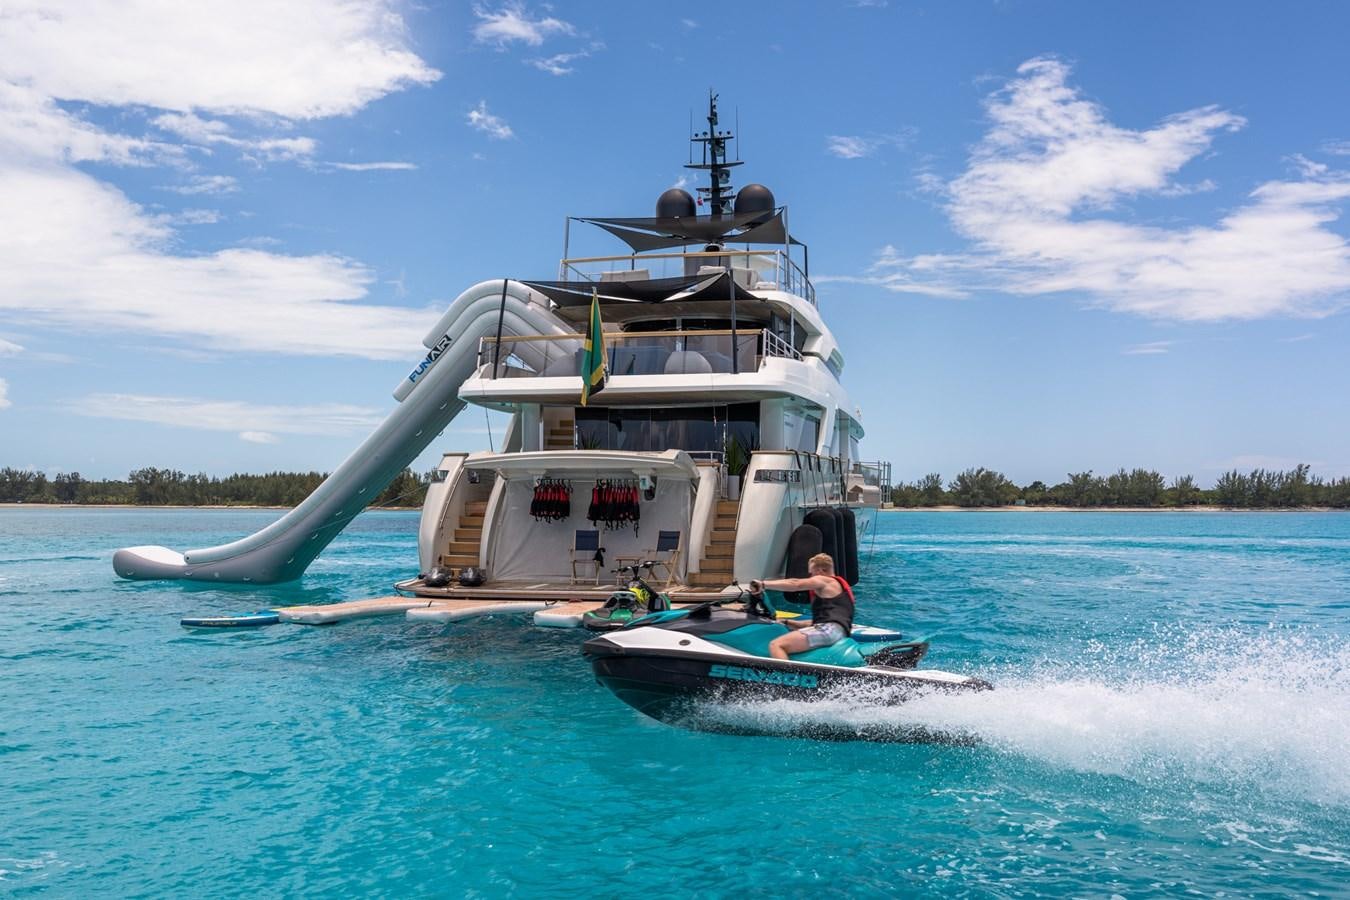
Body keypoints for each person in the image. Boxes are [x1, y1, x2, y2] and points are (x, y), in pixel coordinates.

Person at [750, 552, 855, 660]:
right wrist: (787, 622)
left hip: (829, 631)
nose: (811, 577)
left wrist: (763, 585)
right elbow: (818, 623)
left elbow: (796, 584)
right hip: (837, 633)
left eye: (812, 574)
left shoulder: (824, 580)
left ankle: (785, 676)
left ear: (820, 571)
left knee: (776, 645)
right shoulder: (840, 589)